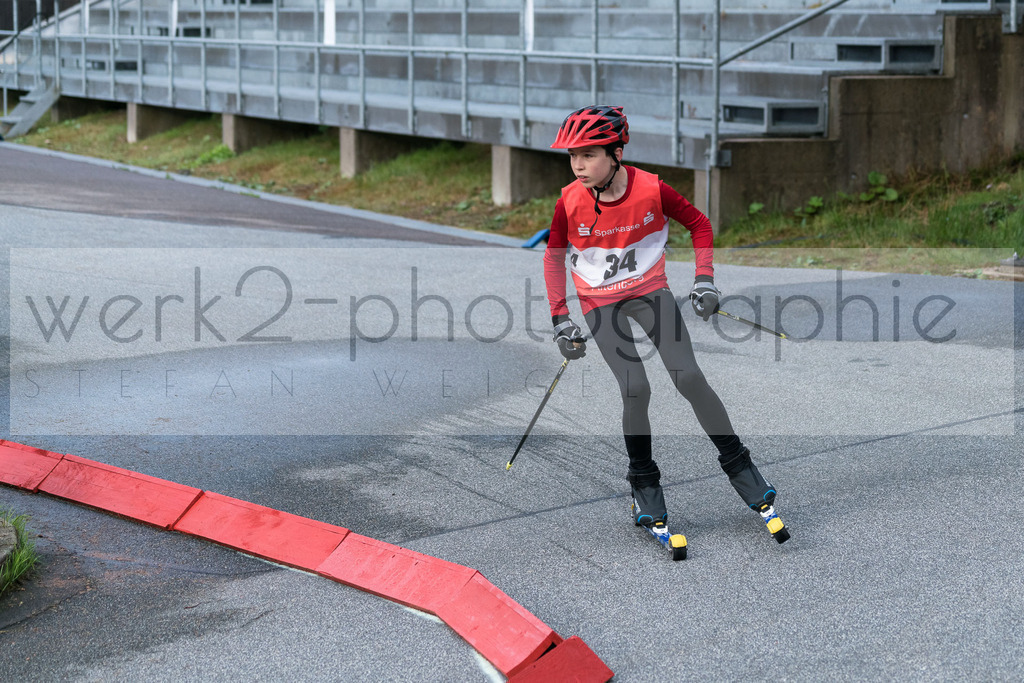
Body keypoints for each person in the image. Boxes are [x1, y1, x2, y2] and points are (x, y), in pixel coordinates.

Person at [542, 104, 788, 544]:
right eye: (572, 155)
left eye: (589, 154)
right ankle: (644, 487)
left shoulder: (652, 189)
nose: (578, 165)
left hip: (649, 291)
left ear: (616, 152)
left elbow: (699, 224)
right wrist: (560, 319)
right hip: (601, 304)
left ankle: (744, 471)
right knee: (636, 387)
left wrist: (705, 279)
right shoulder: (569, 200)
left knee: (689, 376)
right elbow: (554, 255)